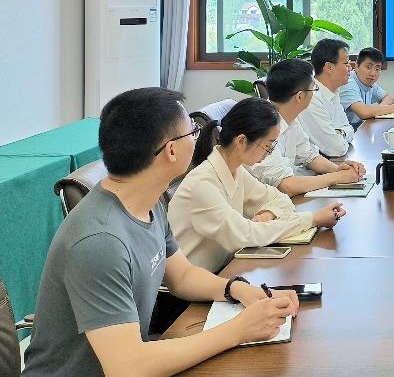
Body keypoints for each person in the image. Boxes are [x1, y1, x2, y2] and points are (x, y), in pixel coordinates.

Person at [22, 88, 298, 377]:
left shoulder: (149, 202)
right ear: (171, 150)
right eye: (192, 131)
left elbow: (183, 277)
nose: (198, 137)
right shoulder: (100, 241)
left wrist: (239, 289)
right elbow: (128, 367)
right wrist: (238, 330)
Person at [169, 98, 347, 273]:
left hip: (223, 268)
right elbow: (246, 235)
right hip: (191, 285)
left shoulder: (236, 170)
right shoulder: (202, 185)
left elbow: (280, 198)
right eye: (268, 146)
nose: (269, 154)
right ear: (241, 141)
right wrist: (313, 219)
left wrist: (268, 213)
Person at [249, 58, 362, 196]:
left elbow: (309, 156)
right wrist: (337, 177)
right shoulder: (262, 128)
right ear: (300, 97)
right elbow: (286, 185)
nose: (315, 93)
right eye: (314, 88)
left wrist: (338, 169)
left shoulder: (290, 119)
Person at [298, 38, 359, 158]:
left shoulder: (333, 92)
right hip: (311, 166)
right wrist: (342, 134)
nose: (350, 68)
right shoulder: (312, 97)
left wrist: (341, 133)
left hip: (328, 161)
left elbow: (350, 129)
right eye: (346, 63)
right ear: (329, 67)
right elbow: (335, 149)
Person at [339, 47, 394, 128]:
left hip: (361, 129)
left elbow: (388, 97)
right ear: (356, 66)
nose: (373, 73)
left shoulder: (367, 82)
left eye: (377, 69)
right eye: (368, 67)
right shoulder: (348, 82)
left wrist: (381, 109)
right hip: (345, 132)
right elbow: (363, 112)